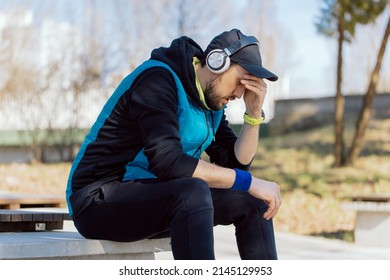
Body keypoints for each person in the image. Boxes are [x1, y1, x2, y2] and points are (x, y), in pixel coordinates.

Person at [66, 28, 282, 260]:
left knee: (254, 200)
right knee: (193, 191)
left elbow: (236, 166)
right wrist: (248, 181)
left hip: (156, 200)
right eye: (241, 82)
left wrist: (253, 114)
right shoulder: (157, 80)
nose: (240, 93)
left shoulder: (210, 104)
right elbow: (168, 162)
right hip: (97, 201)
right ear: (216, 62)